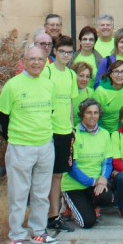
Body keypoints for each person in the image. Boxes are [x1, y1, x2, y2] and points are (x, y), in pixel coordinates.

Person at [0, 44, 59, 244]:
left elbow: (50, 113)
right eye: (32, 59)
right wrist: (14, 138)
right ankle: (16, 236)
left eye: (40, 59)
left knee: (41, 193)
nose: (36, 63)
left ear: (45, 61)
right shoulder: (12, 85)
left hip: (45, 146)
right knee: (19, 193)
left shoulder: (49, 84)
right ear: (24, 60)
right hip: (20, 147)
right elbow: (0, 118)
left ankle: (39, 232)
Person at [61, 98, 115, 230]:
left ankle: (91, 204)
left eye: (95, 113)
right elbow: (71, 168)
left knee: (108, 198)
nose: (92, 116)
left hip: (95, 183)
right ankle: (70, 205)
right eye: (89, 112)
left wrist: (103, 179)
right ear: (82, 114)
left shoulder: (105, 134)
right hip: (75, 185)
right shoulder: (73, 134)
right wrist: (93, 182)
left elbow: (107, 162)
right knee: (88, 222)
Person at [44, 35, 77, 232]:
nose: (66, 55)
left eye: (69, 52)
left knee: (58, 175)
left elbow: (71, 102)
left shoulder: (71, 75)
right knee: (44, 175)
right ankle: (44, 213)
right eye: (62, 51)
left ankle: (54, 215)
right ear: (55, 52)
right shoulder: (46, 72)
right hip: (49, 131)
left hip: (65, 131)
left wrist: (72, 127)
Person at [94, 59, 123, 133]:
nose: (119, 75)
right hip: (102, 131)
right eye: (116, 71)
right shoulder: (100, 91)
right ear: (110, 74)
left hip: (120, 131)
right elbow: (95, 116)